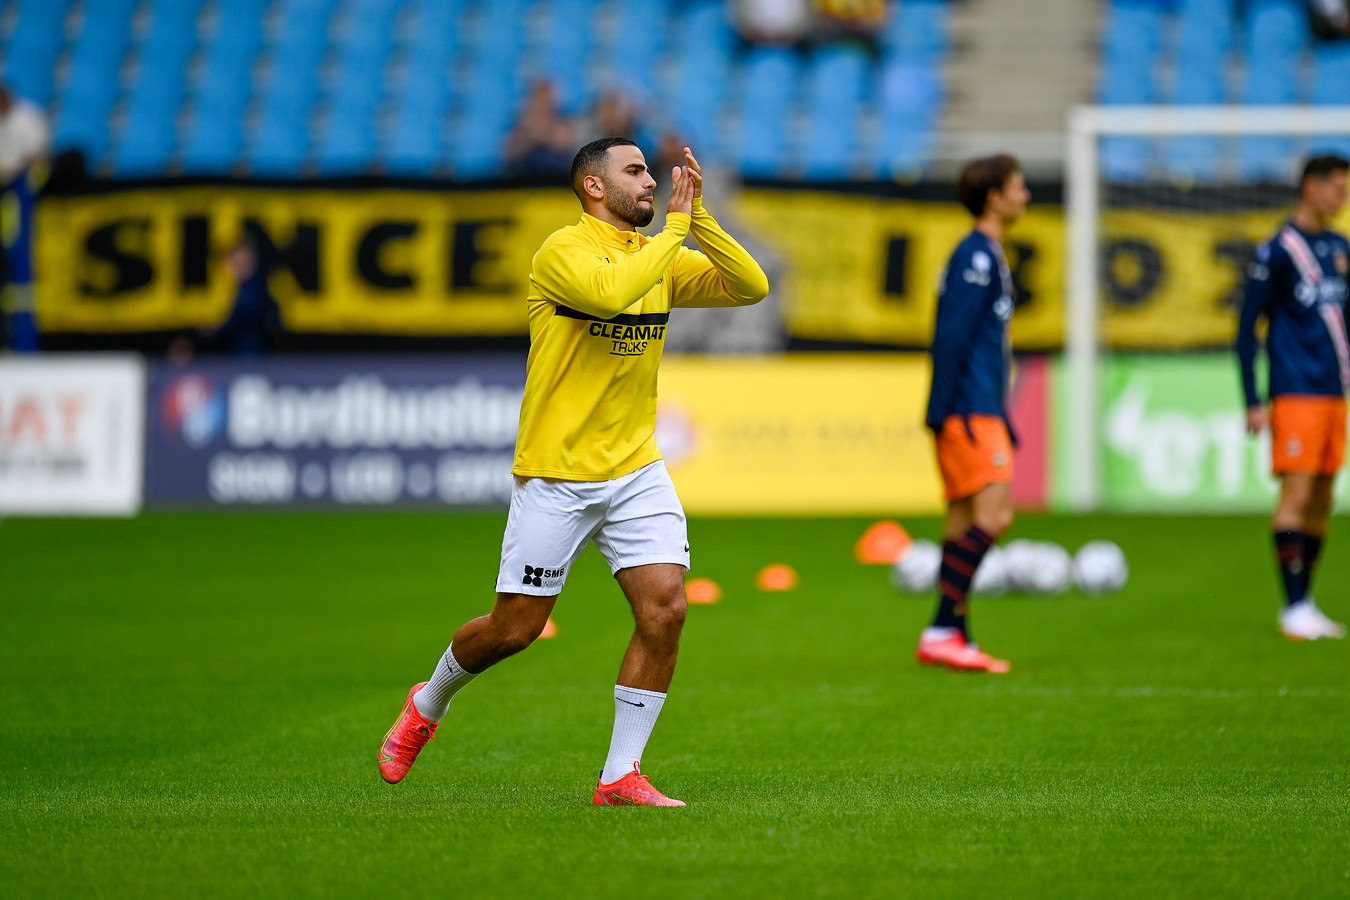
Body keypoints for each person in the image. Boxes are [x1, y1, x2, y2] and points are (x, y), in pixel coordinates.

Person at [377, 137, 769, 806]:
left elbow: (750, 286)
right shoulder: (561, 253)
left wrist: (696, 216)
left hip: (636, 469)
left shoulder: (659, 255)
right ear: (594, 187)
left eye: (652, 173)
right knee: (514, 630)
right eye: (636, 171)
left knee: (666, 609)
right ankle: (429, 699)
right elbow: (613, 298)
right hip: (558, 474)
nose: (651, 181)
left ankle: (620, 774)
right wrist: (675, 229)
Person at [916, 153, 1030, 674]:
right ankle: (942, 627)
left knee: (962, 521)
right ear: (995, 196)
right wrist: (944, 410)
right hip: (969, 409)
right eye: (1018, 186)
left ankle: (953, 633)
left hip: (980, 408)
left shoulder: (988, 254)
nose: (1025, 194)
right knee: (994, 516)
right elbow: (952, 337)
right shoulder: (976, 258)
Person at [1237, 154, 1350, 641]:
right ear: (1311, 187)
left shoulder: (1341, 247)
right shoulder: (1279, 250)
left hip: (1334, 393)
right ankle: (1293, 605)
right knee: (1297, 494)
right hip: (1295, 391)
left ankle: (1307, 601)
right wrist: (1252, 398)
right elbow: (1246, 329)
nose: (1342, 198)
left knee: (1324, 498)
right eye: (1337, 188)